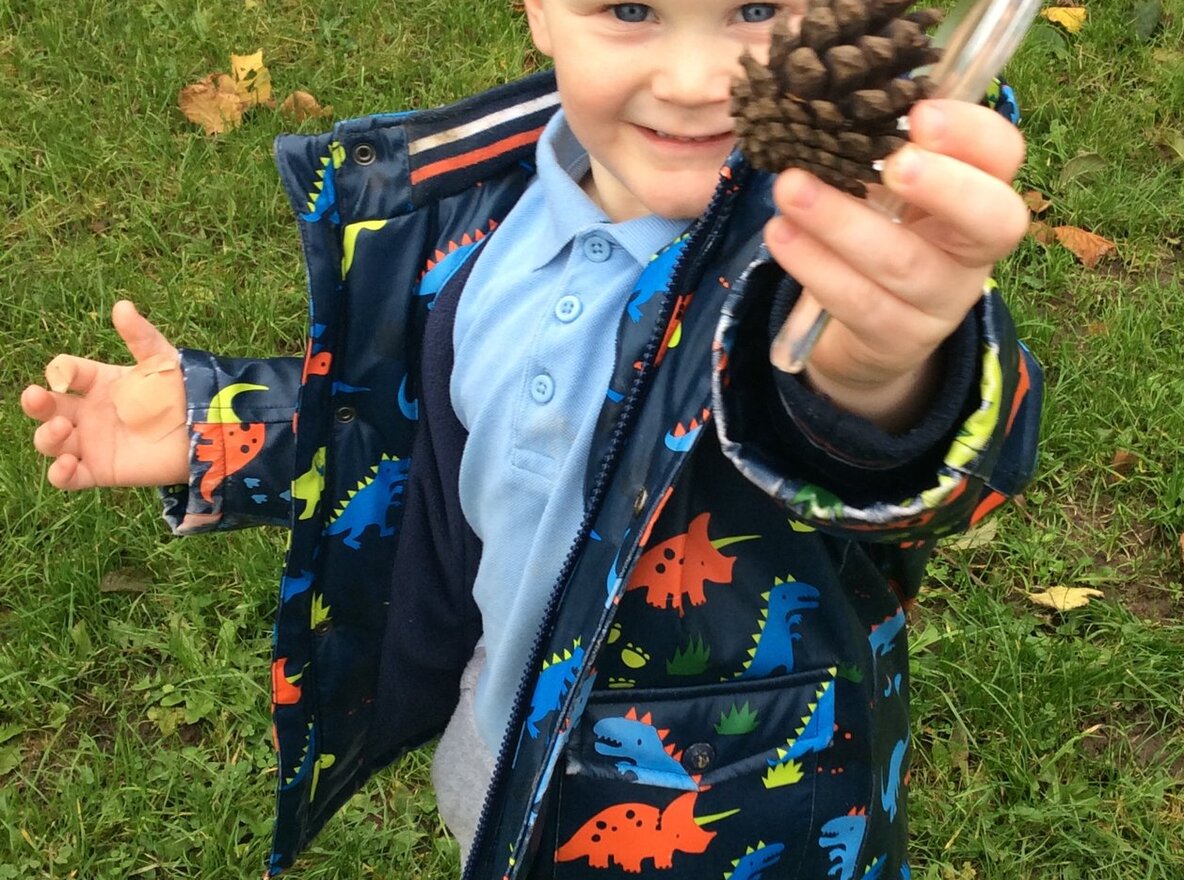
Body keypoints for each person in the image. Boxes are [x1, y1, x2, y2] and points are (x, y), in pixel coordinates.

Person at [20, 1, 1042, 877]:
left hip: (746, 822)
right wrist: (223, 424)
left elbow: (911, 454)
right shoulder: (481, 218)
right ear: (538, 9)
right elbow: (432, 436)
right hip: (504, 757)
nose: (694, 80)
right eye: (632, 10)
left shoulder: (812, 270)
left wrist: (880, 369)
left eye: (758, 11)